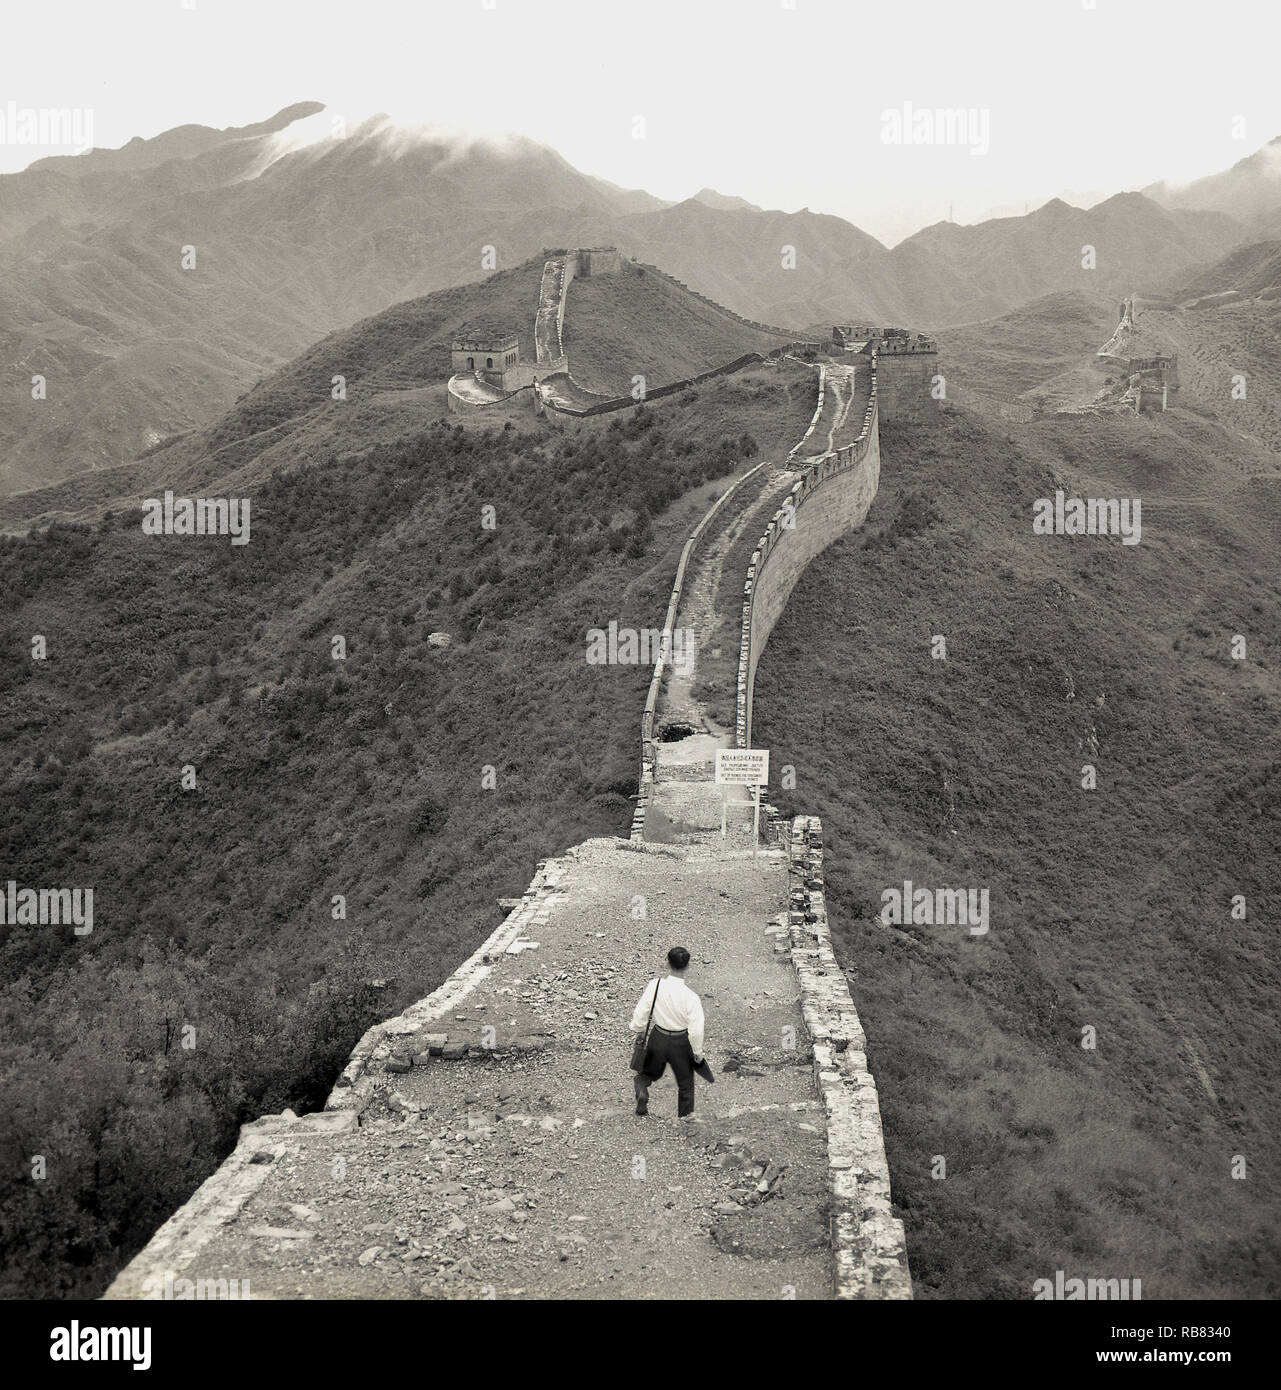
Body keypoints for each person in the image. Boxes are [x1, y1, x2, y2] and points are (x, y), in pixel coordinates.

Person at [629, 946, 705, 1118]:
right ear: (687, 967)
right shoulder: (691, 996)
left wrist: (638, 1029)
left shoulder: (655, 985)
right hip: (680, 1041)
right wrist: (697, 1052)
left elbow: (642, 1010)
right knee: (685, 1083)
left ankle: (642, 1090)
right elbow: (696, 1028)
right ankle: (685, 1119)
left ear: (667, 963)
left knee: (647, 1073)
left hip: (658, 1037)